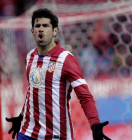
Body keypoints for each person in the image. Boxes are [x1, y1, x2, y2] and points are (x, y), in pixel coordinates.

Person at [6, 8, 111, 140]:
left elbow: (85, 96)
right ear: (32, 31)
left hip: (56, 135)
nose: (41, 29)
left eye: (45, 26)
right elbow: (32, 91)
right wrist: (21, 116)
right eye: (37, 26)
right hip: (27, 133)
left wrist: (95, 124)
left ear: (55, 31)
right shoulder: (30, 57)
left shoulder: (67, 59)